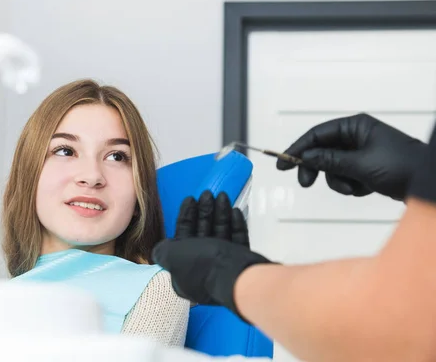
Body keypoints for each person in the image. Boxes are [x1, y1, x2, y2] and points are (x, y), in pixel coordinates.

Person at [153, 113, 436, 361]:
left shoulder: (152, 294)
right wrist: (420, 170)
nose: (105, 178)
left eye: (118, 156)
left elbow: (404, 332)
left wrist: (233, 278)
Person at [2, 79, 190, 346]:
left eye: (116, 156)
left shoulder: (156, 289)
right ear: (28, 176)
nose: (92, 177)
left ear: (139, 194)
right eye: (65, 151)